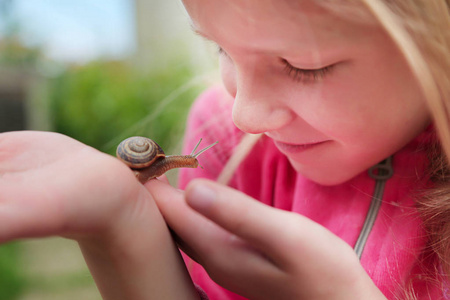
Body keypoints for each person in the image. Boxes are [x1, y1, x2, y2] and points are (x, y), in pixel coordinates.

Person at [0, 0, 449, 299]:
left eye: (303, 65)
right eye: (220, 48)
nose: (245, 116)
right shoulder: (232, 149)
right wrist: (125, 229)